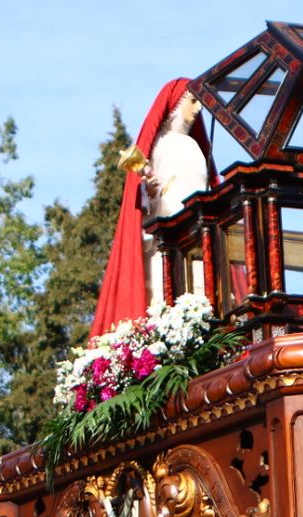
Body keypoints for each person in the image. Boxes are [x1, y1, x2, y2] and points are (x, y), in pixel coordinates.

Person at [91, 79, 218, 337]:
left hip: (198, 240)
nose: (197, 110)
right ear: (175, 104)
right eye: (192, 102)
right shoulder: (160, 146)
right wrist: (150, 192)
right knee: (166, 301)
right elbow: (147, 201)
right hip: (168, 242)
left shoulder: (195, 148)